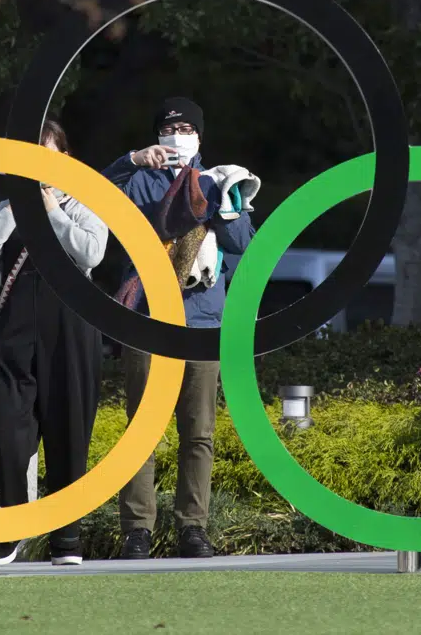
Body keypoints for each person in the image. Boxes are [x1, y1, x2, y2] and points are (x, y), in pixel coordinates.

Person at [103, 97, 255, 559]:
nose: (179, 133)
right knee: (142, 427)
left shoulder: (219, 178)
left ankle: (193, 526)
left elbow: (242, 242)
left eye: (188, 127)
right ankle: (137, 529)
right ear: (158, 136)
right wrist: (131, 160)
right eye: (171, 127)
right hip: (149, 316)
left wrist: (220, 202)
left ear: (200, 137)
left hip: (203, 318)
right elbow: (90, 194)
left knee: (199, 431)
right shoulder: (139, 180)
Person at [0, 120, 108, 567]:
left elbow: (91, 253)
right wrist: (14, 211)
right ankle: (13, 529)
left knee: (68, 433)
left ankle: (67, 541)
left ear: (64, 159)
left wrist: (52, 209)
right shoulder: (8, 207)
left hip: (72, 327)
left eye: (47, 155)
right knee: (4, 435)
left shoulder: (83, 203)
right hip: (15, 330)